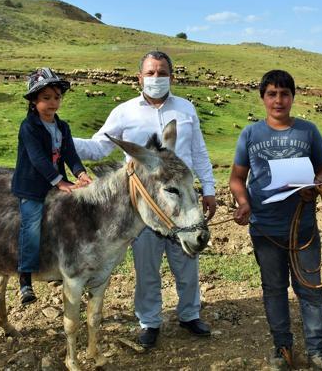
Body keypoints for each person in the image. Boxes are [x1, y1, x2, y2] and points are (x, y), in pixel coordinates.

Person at [73, 51, 216, 349]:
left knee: (187, 263)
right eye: (150, 73)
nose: (156, 78)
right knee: (147, 268)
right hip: (144, 208)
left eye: (161, 72)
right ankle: (150, 321)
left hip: (181, 203)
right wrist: (61, 138)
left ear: (171, 77)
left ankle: (190, 314)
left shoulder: (187, 109)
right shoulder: (125, 112)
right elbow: (99, 147)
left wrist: (210, 189)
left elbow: (199, 153)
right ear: (139, 77)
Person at [229, 70, 322, 371]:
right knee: (274, 288)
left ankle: (317, 351)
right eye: (272, 94)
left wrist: (317, 184)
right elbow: (237, 178)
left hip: (302, 229)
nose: (279, 100)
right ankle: (282, 349)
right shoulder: (250, 135)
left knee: (311, 290)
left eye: (285, 94)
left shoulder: (308, 131)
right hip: (265, 229)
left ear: (293, 96)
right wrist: (243, 203)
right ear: (263, 98)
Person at [11, 67, 92, 305]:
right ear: (33, 101)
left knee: (68, 222)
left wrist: (81, 173)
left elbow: (69, 153)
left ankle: (61, 266)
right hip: (32, 186)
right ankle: (25, 278)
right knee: (32, 226)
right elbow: (37, 159)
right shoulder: (28, 127)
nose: (53, 103)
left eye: (57, 97)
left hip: (56, 183)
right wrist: (61, 182)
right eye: (46, 98)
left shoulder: (62, 127)